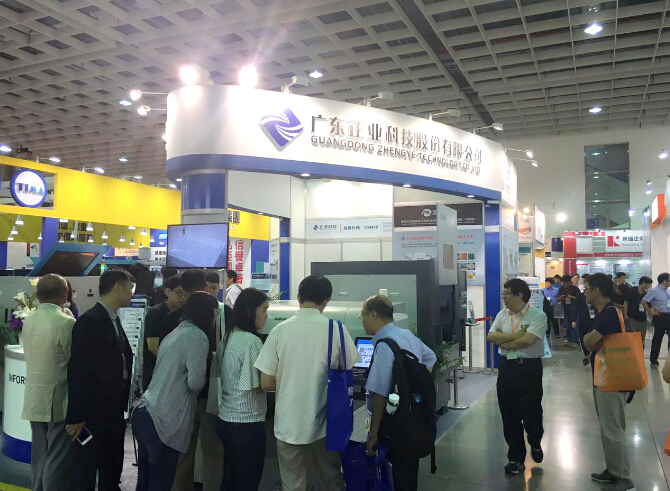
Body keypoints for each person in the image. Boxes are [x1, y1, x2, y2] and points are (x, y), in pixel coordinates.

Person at [254, 276, 359, 491]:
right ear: (326, 300)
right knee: (331, 479)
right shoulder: (336, 330)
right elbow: (349, 367)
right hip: (326, 423)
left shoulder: (279, 330)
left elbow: (265, 382)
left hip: (288, 423)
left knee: (293, 483)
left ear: (299, 296)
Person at [133, 292, 217, 491]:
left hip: (145, 411)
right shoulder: (197, 336)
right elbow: (195, 383)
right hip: (164, 421)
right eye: (215, 312)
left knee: (145, 480)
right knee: (161, 482)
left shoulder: (175, 333)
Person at [66, 269, 135, 491]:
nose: (132, 294)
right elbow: (78, 369)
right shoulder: (90, 321)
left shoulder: (113, 319)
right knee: (85, 468)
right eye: (130, 288)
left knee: (111, 465)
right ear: (118, 287)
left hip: (113, 410)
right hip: (91, 414)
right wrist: (77, 415)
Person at [362, 295, 436, 491]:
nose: (362, 320)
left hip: (394, 423)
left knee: (396, 475)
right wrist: (414, 385)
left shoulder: (385, 345)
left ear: (374, 315)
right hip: (413, 416)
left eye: (363, 315)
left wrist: (373, 433)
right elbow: (430, 357)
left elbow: (379, 393)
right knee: (408, 473)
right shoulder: (406, 334)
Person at [166, 270, 223, 491]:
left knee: (183, 451)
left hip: (181, 397)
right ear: (207, 287)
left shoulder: (173, 319)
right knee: (211, 450)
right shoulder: (219, 315)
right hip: (208, 394)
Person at [486, 278, 547, 476]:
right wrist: (516, 335)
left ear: (519, 295)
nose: (504, 298)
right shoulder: (502, 315)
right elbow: (490, 337)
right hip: (507, 368)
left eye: (507, 294)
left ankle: (535, 441)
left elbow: (527, 341)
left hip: (529, 368)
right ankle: (516, 457)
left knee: (531, 411)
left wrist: (504, 342)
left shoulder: (538, 316)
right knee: (508, 412)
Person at [21, 274, 76, 491]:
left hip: (34, 397)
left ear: (38, 294)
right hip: (58, 398)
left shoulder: (29, 319)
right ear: (65, 293)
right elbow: (75, 362)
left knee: (39, 455)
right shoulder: (66, 322)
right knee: (56, 456)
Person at [583, 273, 636, 491]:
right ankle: (613, 470)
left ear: (596, 291)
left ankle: (623, 478)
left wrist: (589, 340)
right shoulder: (608, 312)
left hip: (612, 378)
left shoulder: (609, 314)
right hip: (606, 375)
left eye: (586, 289)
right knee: (608, 427)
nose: (584, 293)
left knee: (612, 428)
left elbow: (589, 341)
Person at [215, 288, 269, 491]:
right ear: (249, 311)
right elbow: (258, 386)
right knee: (247, 482)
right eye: (264, 310)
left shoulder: (228, 337)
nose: (266, 316)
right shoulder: (252, 341)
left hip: (226, 420)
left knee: (230, 480)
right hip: (247, 424)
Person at [143, 274, 187, 390]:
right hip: (157, 372)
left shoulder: (184, 314)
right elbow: (153, 347)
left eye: (186, 294)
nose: (183, 297)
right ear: (167, 291)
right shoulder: (156, 313)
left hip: (177, 375)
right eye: (179, 292)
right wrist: (176, 364)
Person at [642, 273, 670, 367]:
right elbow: (644, 301)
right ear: (664, 281)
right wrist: (651, 312)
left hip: (668, 315)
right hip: (660, 316)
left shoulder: (667, 290)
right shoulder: (654, 291)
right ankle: (654, 359)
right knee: (658, 337)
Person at [623, 276, 652, 349]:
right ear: (643, 283)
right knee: (633, 335)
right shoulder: (632, 290)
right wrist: (625, 314)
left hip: (642, 318)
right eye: (648, 284)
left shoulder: (646, 294)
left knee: (642, 337)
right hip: (632, 316)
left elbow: (649, 306)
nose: (649, 286)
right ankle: (634, 350)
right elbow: (626, 302)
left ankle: (640, 351)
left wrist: (651, 317)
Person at [558, 274, 581, 348]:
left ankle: (575, 341)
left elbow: (580, 298)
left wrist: (571, 297)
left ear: (568, 282)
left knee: (574, 325)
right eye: (562, 283)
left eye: (564, 283)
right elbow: (558, 299)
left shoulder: (575, 288)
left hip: (574, 309)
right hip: (566, 309)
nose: (563, 284)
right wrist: (561, 298)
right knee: (567, 325)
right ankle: (569, 340)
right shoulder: (561, 289)